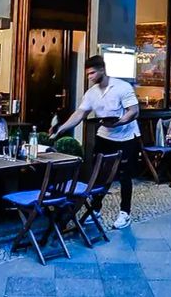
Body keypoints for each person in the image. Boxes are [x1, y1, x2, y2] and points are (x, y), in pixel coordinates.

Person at [52, 55, 140, 229]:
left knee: (124, 176)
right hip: (104, 135)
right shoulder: (91, 93)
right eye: (88, 74)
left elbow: (134, 111)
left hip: (126, 136)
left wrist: (118, 122)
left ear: (102, 70)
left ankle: (125, 213)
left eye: (92, 73)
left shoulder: (122, 87)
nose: (90, 76)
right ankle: (96, 210)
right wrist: (61, 128)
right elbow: (80, 114)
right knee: (99, 174)